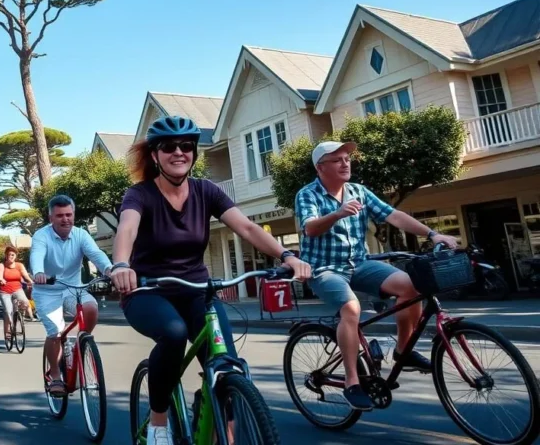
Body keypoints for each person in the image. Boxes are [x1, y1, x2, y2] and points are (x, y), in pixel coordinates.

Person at [109, 116, 311, 445]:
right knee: (173, 334)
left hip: (196, 293)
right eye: (169, 147)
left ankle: (223, 436)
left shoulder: (206, 191)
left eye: (186, 146)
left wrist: (287, 256)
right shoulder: (140, 194)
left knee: (225, 366)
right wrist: (121, 264)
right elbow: (127, 228)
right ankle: (160, 421)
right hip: (147, 290)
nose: (179, 152)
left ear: (194, 153)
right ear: (155, 155)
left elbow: (246, 227)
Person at [295, 141, 458, 410]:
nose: (345, 163)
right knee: (351, 308)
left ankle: (403, 351)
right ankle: (352, 382)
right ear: (320, 167)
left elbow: (393, 215)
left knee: (411, 286)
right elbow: (310, 229)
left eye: (347, 158)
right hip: (324, 269)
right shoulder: (308, 194)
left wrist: (432, 234)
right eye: (337, 160)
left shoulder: (358, 191)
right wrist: (336, 214)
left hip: (359, 263)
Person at [31, 194, 115, 397]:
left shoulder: (81, 235)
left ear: (73, 215)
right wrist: (38, 273)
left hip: (73, 288)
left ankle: (81, 343)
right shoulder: (41, 236)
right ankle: (56, 375)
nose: (65, 219)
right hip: (47, 291)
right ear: (51, 217)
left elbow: (96, 254)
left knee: (91, 308)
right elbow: (37, 255)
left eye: (69, 214)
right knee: (56, 332)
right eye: (59, 215)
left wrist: (110, 270)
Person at [0, 245, 32, 343]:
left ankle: (19, 316)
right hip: (4, 291)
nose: (11, 256)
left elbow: (25, 275)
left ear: (15, 256)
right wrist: (1, 279)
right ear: (6, 255)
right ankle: (8, 333)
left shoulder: (19, 265)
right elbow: (0, 274)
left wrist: (30, 281)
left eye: (13, 255)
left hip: (17, 289)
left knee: (25, 302)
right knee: (8, 312)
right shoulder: (2, 265)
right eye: (9, 255)